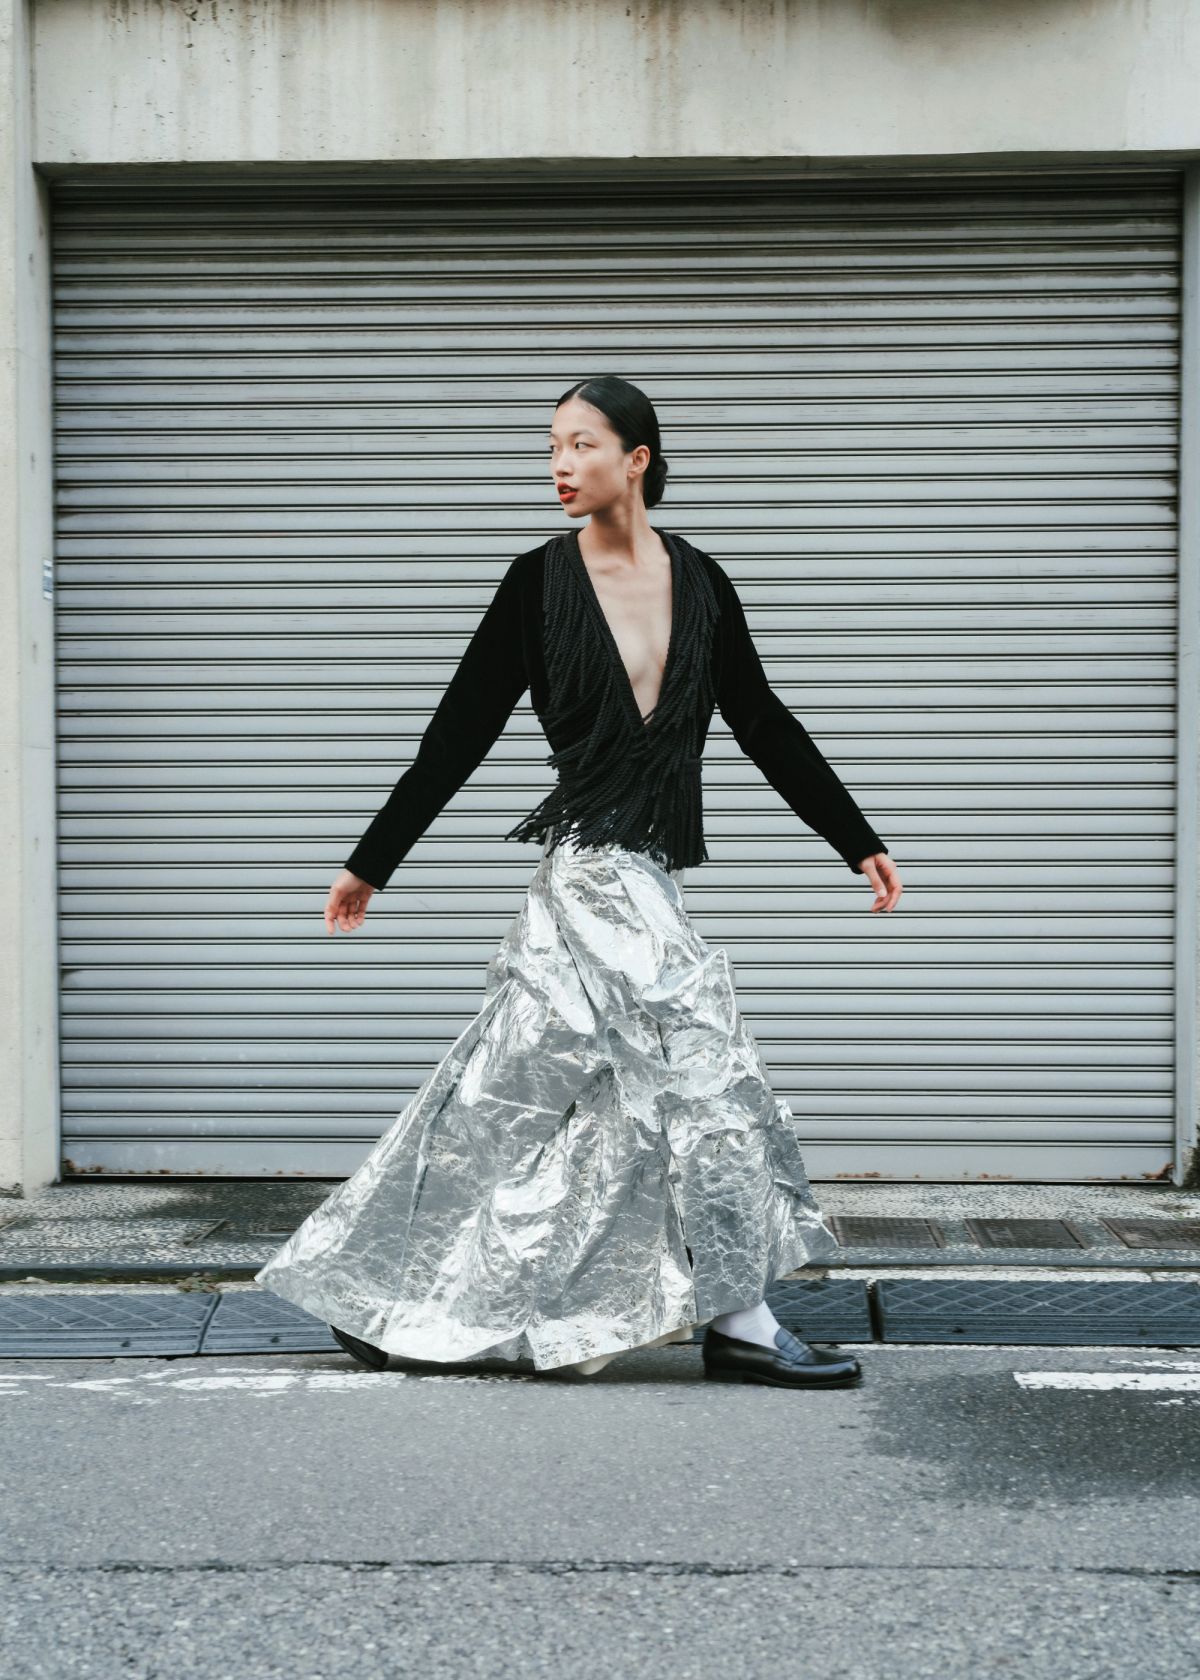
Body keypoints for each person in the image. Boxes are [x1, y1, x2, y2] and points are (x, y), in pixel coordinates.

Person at [254, 375, 903, 1388]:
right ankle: (737, 1322)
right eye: (552, 446)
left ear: (637, 458)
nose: (560, 464)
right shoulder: (536, 583)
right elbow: (458, 732)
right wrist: (370, 864)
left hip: (650, 879)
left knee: (527, 1100)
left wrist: (852, 835)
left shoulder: (703, 582)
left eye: (582, 444)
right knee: (703, 1083)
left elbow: (762, 719)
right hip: (588, 879)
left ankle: (394, 1291)